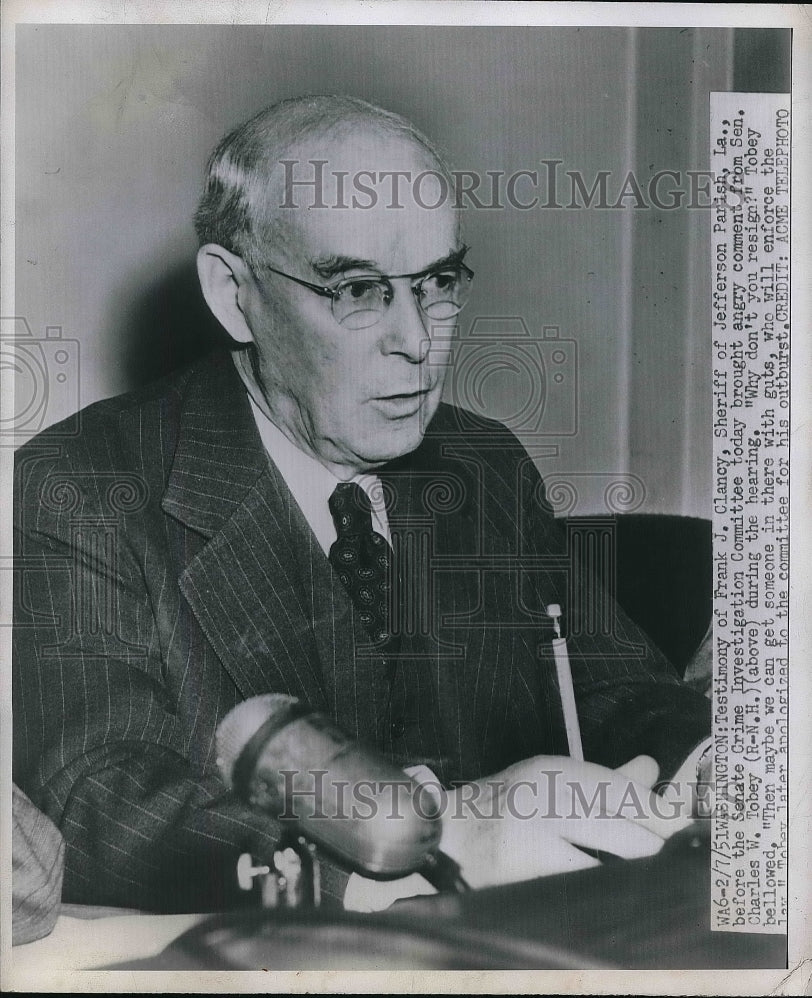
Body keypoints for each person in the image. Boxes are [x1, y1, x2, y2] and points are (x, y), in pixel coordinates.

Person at [13, 95, 711, 915]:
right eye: (358, 290)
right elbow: (100, 800)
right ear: (234, 294)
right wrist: (438, 840)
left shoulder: (482, 462)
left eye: (438, 282)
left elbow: (617, 689)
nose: (418, 340)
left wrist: (708, 767)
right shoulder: (84, 483)